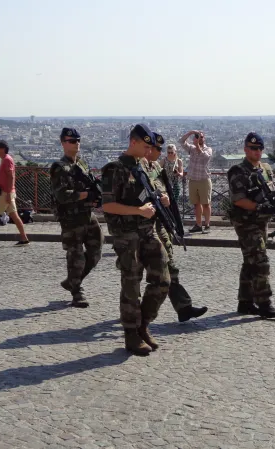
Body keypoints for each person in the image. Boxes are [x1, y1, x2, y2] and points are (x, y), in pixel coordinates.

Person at [101, 123, 170, 356]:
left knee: (163, 279)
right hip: (126, 234)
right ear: (133, 142)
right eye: (145, 144)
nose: (149, 150)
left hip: (147, 231)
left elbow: (150, 192)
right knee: (131, 285)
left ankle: (143, 324)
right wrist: (138, 211)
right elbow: (108, 205)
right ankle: (131, 334)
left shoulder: (143, 166)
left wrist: (161, 198)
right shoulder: (115, 169)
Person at [143, 132, 208, 322]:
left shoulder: (155, 167)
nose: (160, 152)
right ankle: (135, 313)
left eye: (162, 149)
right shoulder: (138, 169)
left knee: (170, 267)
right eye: (157, 149)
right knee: (135, 274)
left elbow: (165, 192)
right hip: (142, 229)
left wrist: (166, 201)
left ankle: (183, 307)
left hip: (160, 224)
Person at [226, 132, 275, 319]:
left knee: (250, 261)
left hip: (262, 221)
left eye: (259, 148)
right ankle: (264, 302)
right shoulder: (238, 170)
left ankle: (245, 301)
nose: (257, 152)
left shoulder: (265, 169)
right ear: (245, 149)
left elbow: (272, 189)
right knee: (260, 260)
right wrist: (259, 206)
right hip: (245, 221)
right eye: (253, 148)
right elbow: (239, 200)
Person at [49, 127, 103, 308]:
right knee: (76, 256)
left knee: (96, 252)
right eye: (72, 141)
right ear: (63, 143)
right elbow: (62, 195)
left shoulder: (82, 164)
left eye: (78, 140)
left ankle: (72, 280)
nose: (76, 144)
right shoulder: (59, 167)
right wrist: (85, 195)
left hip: (87, 214)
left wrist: (95, 197)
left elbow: (90, 186)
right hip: (71, 218)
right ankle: (77, 291)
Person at [179, 130, 213, 233]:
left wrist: (197, 144)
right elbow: (181, 141)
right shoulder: (192, 149)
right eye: (198, 136)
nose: (200, 138)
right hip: (193, 179)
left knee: (206, 203)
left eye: (201, 137)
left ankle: (207, 224)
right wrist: (190, 133)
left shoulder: (208, 149)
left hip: (204, 180)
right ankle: (198, 224)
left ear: (204, 138)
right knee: (196, 204)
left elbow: (204, 157)